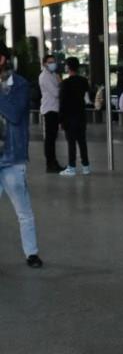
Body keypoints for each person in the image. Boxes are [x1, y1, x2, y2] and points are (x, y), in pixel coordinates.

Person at [0, 42, 43, 268]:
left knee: (23, 211)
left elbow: (14, 114)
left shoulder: (20, 84)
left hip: (12, 158)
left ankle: (31, 253)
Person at [59, 56, 91, 176]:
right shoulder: (84, 81)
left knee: (71, 143)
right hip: (81, 115)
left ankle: (71, 167)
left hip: (69, 116)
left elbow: (62, 102)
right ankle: (86, 166)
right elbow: (87, 97)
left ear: (68, 67)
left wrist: (61, 119)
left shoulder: (65, 83)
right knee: (82, 142)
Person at [38, 53, 65, 173]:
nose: (52, 64)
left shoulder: (53, 74)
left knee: (53, 138)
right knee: (50, 138)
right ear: (44, 64)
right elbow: (56, 93)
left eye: (53, 61)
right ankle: (50, 164)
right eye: (50, 62)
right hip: (49, 110)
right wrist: (61, 84)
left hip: (55, 109)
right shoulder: (44, 77)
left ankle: (54, 162)